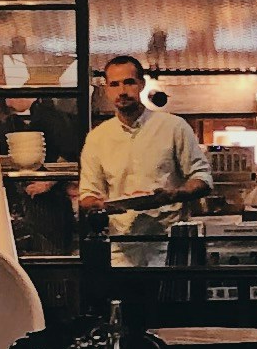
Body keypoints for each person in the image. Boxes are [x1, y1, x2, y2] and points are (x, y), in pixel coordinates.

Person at [74, 53, 208, 268]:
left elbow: (201, 179)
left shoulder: (173, 127)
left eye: (129, 82)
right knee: (124, 301)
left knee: (168, 301)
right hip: (120, 249)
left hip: (168, 245)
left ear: (142, 84)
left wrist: (173, 195)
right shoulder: (97, 138)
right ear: (106, 89)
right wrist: (101, 206)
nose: (122, 91)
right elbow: (88, 194)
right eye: (114, 84)